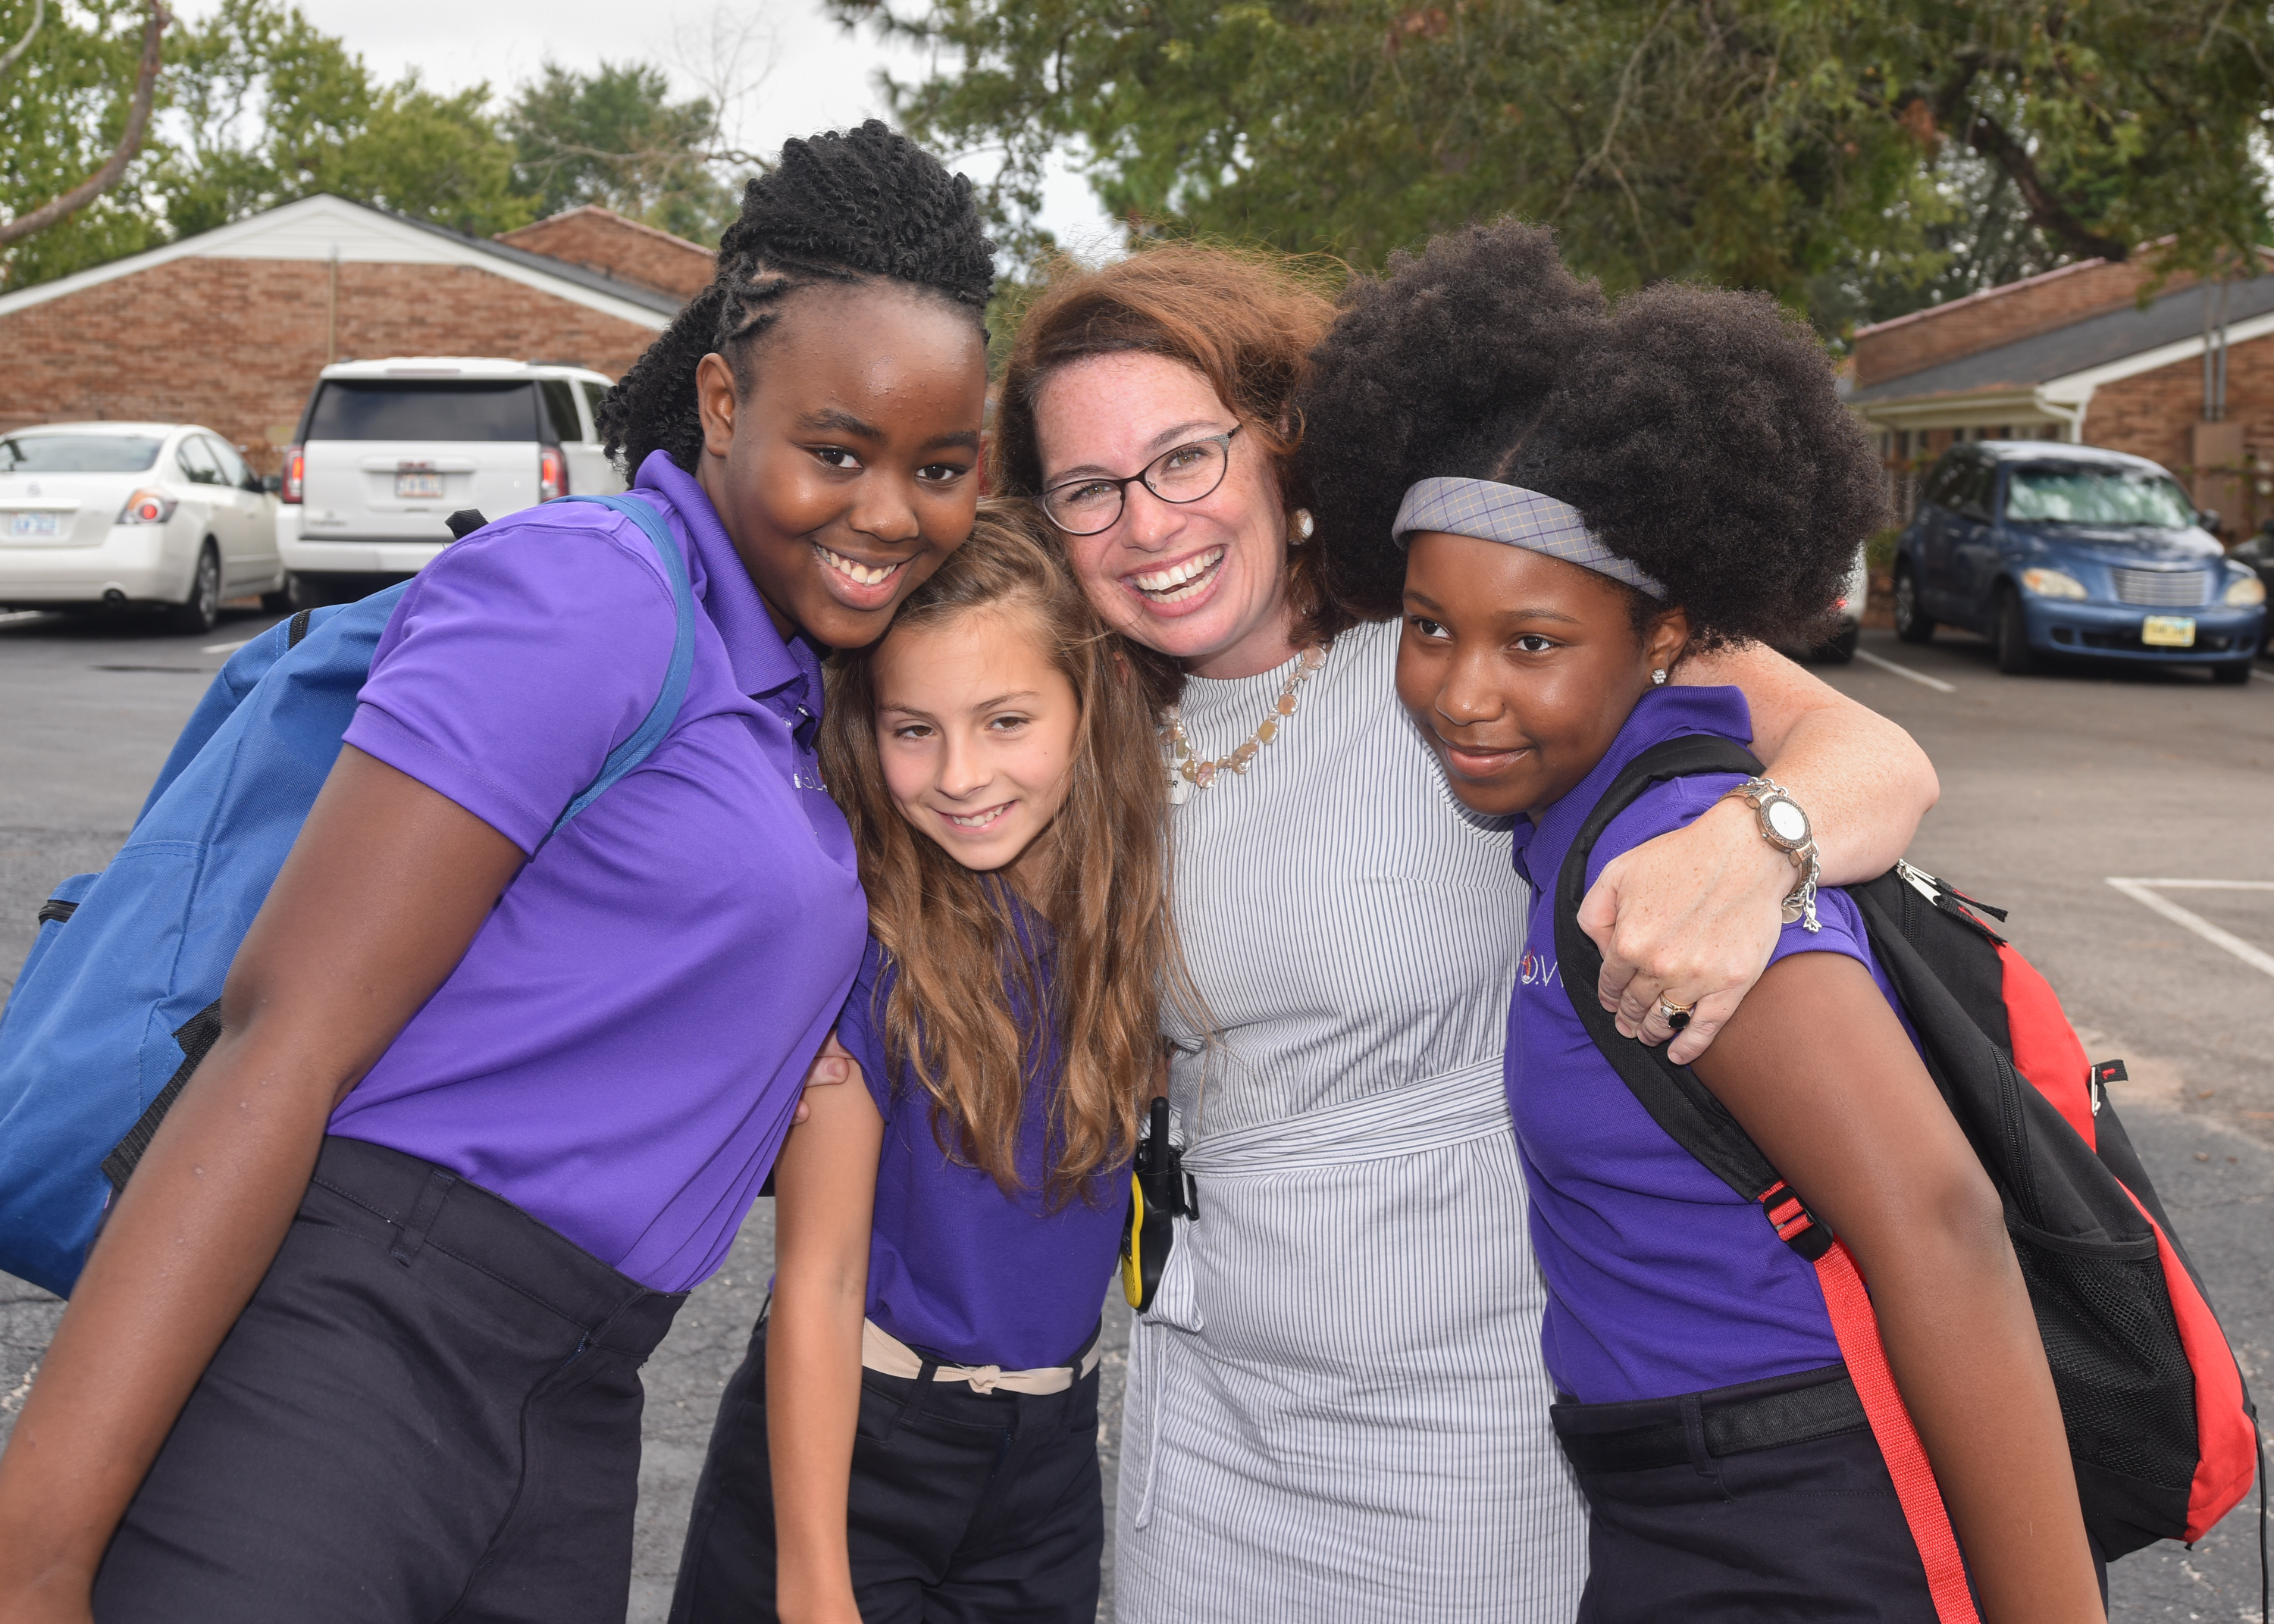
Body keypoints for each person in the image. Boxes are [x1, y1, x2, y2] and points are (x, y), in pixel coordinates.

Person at [0, 120, 993, 1624]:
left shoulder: (799, 702)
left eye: (941, 467)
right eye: (837, 451)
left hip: (580, 1403)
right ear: (721, 401)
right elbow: (286, 1041)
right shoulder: (590, 594)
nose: (889, 513)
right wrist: (38, 1554)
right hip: (347, 1361)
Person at [979, 241, 1944, 1619]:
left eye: (1185, 457)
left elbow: (1876, 755)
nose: (1146, 522)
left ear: (1281, 445)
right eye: (1088, 488)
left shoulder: (1463, 632)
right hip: (1206, 1417)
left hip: (1473, 1427)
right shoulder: (1089, 722)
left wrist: (1756, 843)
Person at [1306, 223, 2101, 1622]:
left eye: (1532, 642)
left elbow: (1942, 1227)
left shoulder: (1682, 860)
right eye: (1431, 628)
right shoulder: (1572, 812)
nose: (1462, 693)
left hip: (1793, 1522)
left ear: (1667, 636)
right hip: (1680, 1500)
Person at [671, 503, 1184, 1624]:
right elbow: (820, 1276)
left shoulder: (1132, 924)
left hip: (1048, 1466)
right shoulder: (867, 949)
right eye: (915, 730)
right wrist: (811, 1583)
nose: (961, 775)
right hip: (853, 1454)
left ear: (1087, 706)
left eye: (1005, 720)